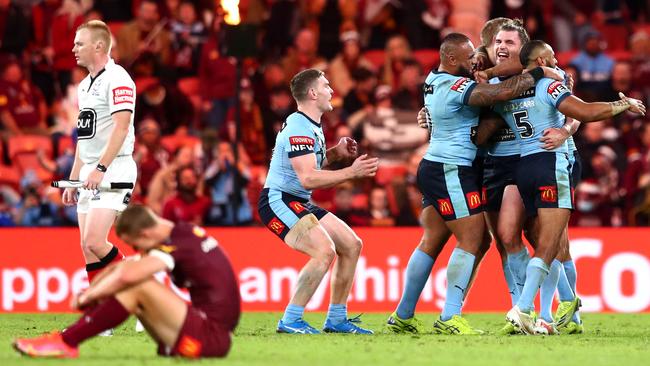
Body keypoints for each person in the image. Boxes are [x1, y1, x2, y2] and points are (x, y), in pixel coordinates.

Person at [387, 32, 561, 335]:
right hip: (451, 169)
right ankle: (450, 316)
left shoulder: (433, 79)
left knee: (435, 240)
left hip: (439, 166)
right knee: (474, 239)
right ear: (451, 58)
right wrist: (537, 72)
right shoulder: (457, 86)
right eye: (468, 58)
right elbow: (497, 95)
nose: (473, 62)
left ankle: (403, 315)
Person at [496, 40, 644, 334]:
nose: (557, 63)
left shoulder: (506, 90)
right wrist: (622, 104)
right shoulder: (549, 86)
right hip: (552, 164)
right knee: (551, 243)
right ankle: (524, 309)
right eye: (552, 58)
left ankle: (570, 312)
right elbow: (586, 112)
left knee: (556, 242)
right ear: (540, 63)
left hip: (524, 166)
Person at [13, 204, 240, 359]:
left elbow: (127, 275)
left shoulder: (174, 244)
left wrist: (88, 297)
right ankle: (64, 340)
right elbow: (125, 267)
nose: (139, 251)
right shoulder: (183, 233)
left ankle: (66, 342)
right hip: (208, 333)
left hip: (210, 339)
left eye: (137, 245)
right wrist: (94, 289)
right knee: (135, 279)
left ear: (144, 234)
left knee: (138, 284)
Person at [257, 68, 379, 334]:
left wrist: (335, 154)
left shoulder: (310, 124)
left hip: (297, 200)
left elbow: (311, 164)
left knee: (351, 244)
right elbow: (308, 178)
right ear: (312, 93)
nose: (331, 90)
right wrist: (352, 172)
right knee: (324, 251)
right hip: (279, 200)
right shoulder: (300, 126)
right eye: (326, 86)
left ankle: (336, 319)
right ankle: (290, 319)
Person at [62, 20, 136, 303]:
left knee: (95, 240)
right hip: (90, 171)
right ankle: (102, 313)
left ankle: (146, 288)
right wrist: (73, 178)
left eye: (79, 43)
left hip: (114, 166)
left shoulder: (118, 79)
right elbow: (84, 137)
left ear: (99, 46)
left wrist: (101, 169)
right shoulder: (83, 86)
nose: (73, 49)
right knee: (87, 246)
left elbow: (121, 126)